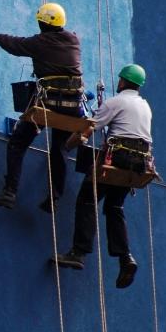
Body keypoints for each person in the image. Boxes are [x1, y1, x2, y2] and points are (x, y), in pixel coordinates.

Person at [52, 64, 153, 289]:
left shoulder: (116, 102)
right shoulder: (145, 106)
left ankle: (78, 252)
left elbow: (90, 128)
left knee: (87, 199)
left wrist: (68, 145)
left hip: (118, 158)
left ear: (122, 82)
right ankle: (125, 257)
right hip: (138, 163)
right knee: (114, 207)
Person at [0, 2, 84, 212]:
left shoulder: (41, 42)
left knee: (18, 143)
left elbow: (16, 44)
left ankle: (10, 192)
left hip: (48, 104)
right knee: (59, 150)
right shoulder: (73, 40)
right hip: (73, 106)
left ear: (43, 23)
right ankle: (54, 198)